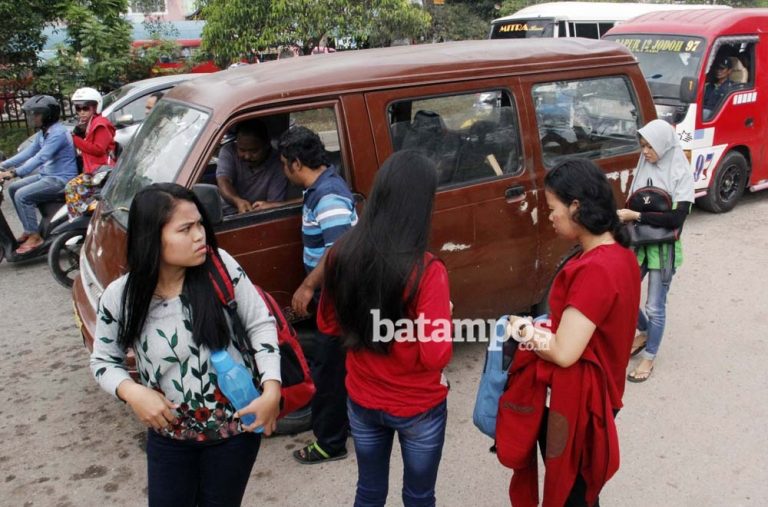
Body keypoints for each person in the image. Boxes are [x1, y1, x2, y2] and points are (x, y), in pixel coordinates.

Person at [90, 183, 282, 506]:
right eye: (186, 229)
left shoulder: (221, 269)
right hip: (169, 439)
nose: (200, 236)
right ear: (152, 236)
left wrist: (272, 390)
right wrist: (132, 392)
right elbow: (104, 362)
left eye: (200, 225)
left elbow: (260, 324)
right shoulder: (121, 297)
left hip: (233, 434)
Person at [497, 159, 640, 507]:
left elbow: (563, 351)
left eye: (552, 208)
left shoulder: (596, 270)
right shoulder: (618, 253)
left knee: (572, 488)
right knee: (583, 483)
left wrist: (523, 328)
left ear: (576, 207)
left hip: (576, 402)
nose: (549, 216)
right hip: (603, 389)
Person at [318, 150, 452, 506]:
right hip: (417, 406)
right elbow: (436, 354)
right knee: (419, 494)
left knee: (369, 490)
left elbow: (328, 324)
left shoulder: (341, 253)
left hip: (362, 397)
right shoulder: (427, 271)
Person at [277, 126, 358, 464]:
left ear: (296, 163)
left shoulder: (328, 196)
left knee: (327, 368)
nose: (282, 170)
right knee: (341, 365)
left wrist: (309, 285)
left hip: (337, 292)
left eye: (283, 163)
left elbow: (338, 249)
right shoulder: (321, 188)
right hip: (335, 291)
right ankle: (348, 423)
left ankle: (330, 443)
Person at [617, 119, 694, 383]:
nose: (645, 152)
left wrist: (637, 215)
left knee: (654, 305)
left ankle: (649, 357)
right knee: (623, 293)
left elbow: (676, 219)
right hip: (639, 244)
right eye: (642, 146)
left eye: (650, 146)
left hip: (663, 249)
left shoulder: (680, 171)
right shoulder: (643, 165)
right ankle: (646, 330)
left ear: (662, 143)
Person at [0, 95, 77, 254]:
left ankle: (35, 236)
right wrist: (3, 165)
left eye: (36, 114)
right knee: (13, 189)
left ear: (47, 115)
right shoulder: (44, 132)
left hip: (61, 179)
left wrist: (14, 172)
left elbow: (40, 157)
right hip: (47, 175)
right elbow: (28, 152)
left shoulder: (58, 133)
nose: (32, 118)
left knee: (22, 195)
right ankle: (29, 230)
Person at [216, 119, 290, 215]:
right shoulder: (228, 151)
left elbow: (272, 204)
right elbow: (223, 181)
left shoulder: (278, 163)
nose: (247, 156)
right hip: (225, 213)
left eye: (254, 151)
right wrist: (237, 200)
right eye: (242, 150)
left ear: (267, 145)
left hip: (254, 215)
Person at [64, 87, 117, 219]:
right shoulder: (90, 123)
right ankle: (86, 217)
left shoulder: (101, 125)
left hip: (101, 172)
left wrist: (75, 139)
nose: (81, 112)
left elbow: (98, 150)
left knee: (71, 188)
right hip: (93, 171)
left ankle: (80, 221)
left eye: (86, 108)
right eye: (78, 108)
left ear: (95, 107)